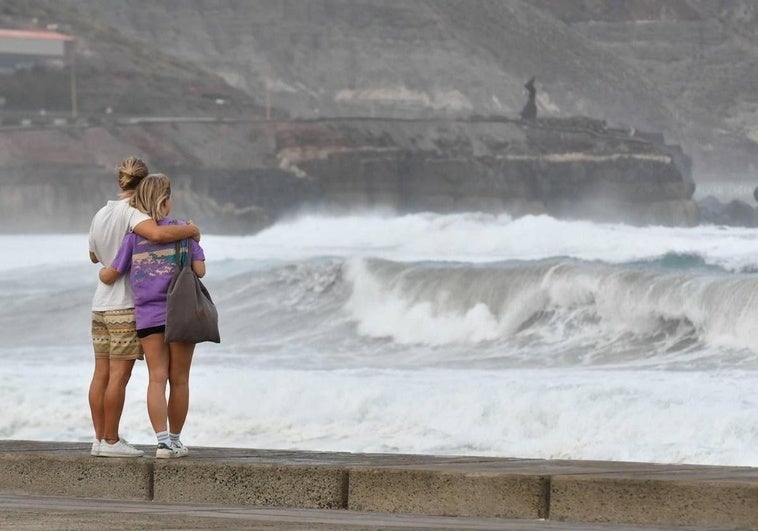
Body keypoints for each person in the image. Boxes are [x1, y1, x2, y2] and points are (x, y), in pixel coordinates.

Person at [88, 158, 200, 458]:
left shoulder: (102, 213)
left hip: (103, 303)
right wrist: (191, 229)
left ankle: (100, 440)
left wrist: (103, 270)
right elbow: (160, 235)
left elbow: (93, 255)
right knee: (130, 378)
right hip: (128, 305)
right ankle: (118, 441)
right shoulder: (136, 217)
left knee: (104, 374)